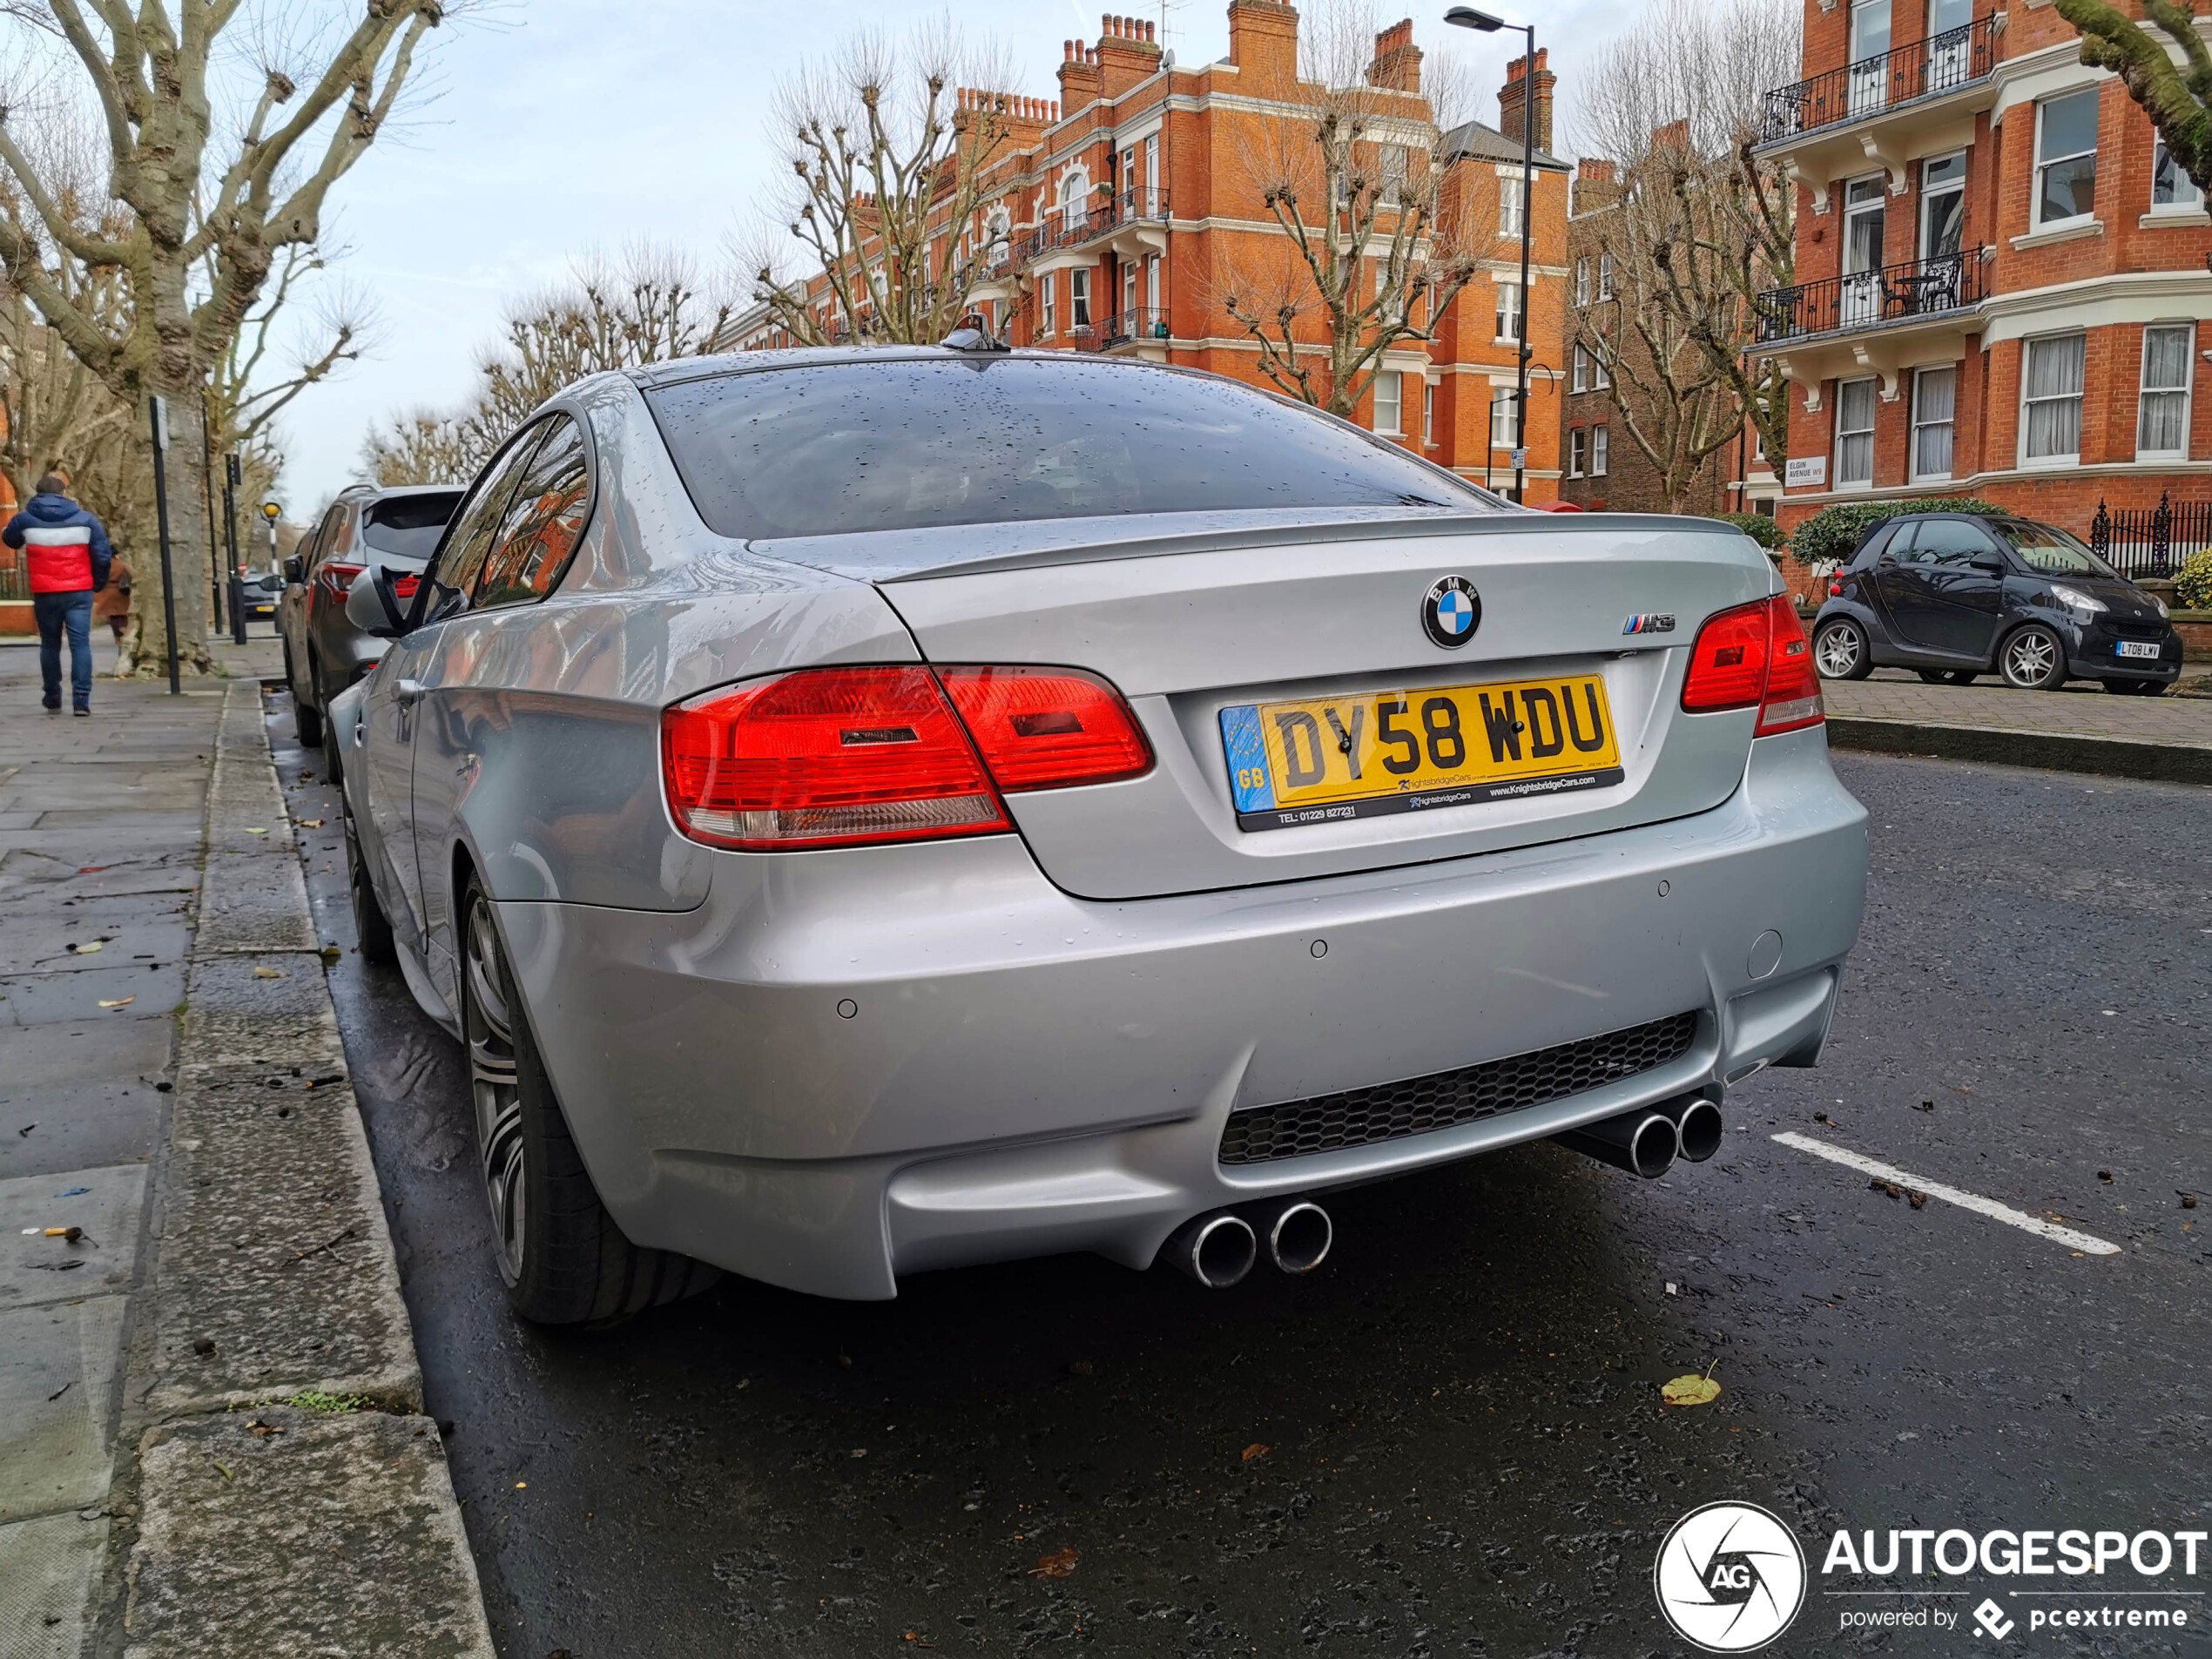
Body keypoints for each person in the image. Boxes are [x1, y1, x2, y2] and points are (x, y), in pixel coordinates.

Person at [3, 471, 114, 715]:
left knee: (50, 645)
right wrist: (97, 583)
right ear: (64, 493)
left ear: (38, 494)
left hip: (45, 592)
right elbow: (103, 556)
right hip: (79, 591)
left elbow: (10, 540)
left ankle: (53, 695)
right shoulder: (86, 520)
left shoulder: (25, 519)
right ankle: (81, 699)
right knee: (80, 644)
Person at [93, 550, 133, 650]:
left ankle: (118, 636)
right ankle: (122, 632)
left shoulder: (103, 564)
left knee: (113, 616)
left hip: (107, 593)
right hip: (120, 592)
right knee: (122, 615)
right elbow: (130, 574)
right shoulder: (120, 564)